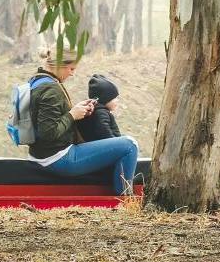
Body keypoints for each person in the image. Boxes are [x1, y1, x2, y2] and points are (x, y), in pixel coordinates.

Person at [27, 51, 139, 195]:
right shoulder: (51, 89)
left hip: (41, 154)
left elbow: (49, 118)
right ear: (60, 65)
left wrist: (77, 110)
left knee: (126, 144)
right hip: (58, 158)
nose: (72, 74)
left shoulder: (38, 80)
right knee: (130, 145)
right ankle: (125, 199)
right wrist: (72, 115)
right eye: (71, 69)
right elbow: (48, 132)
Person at [77, 74, 122, 142]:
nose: (117, 100)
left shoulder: (97, 111)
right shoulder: (100, 112)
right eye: (114, 98)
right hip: (101, 146)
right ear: (105, 99)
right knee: (129, 142)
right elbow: (104, 132)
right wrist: (116, 145)